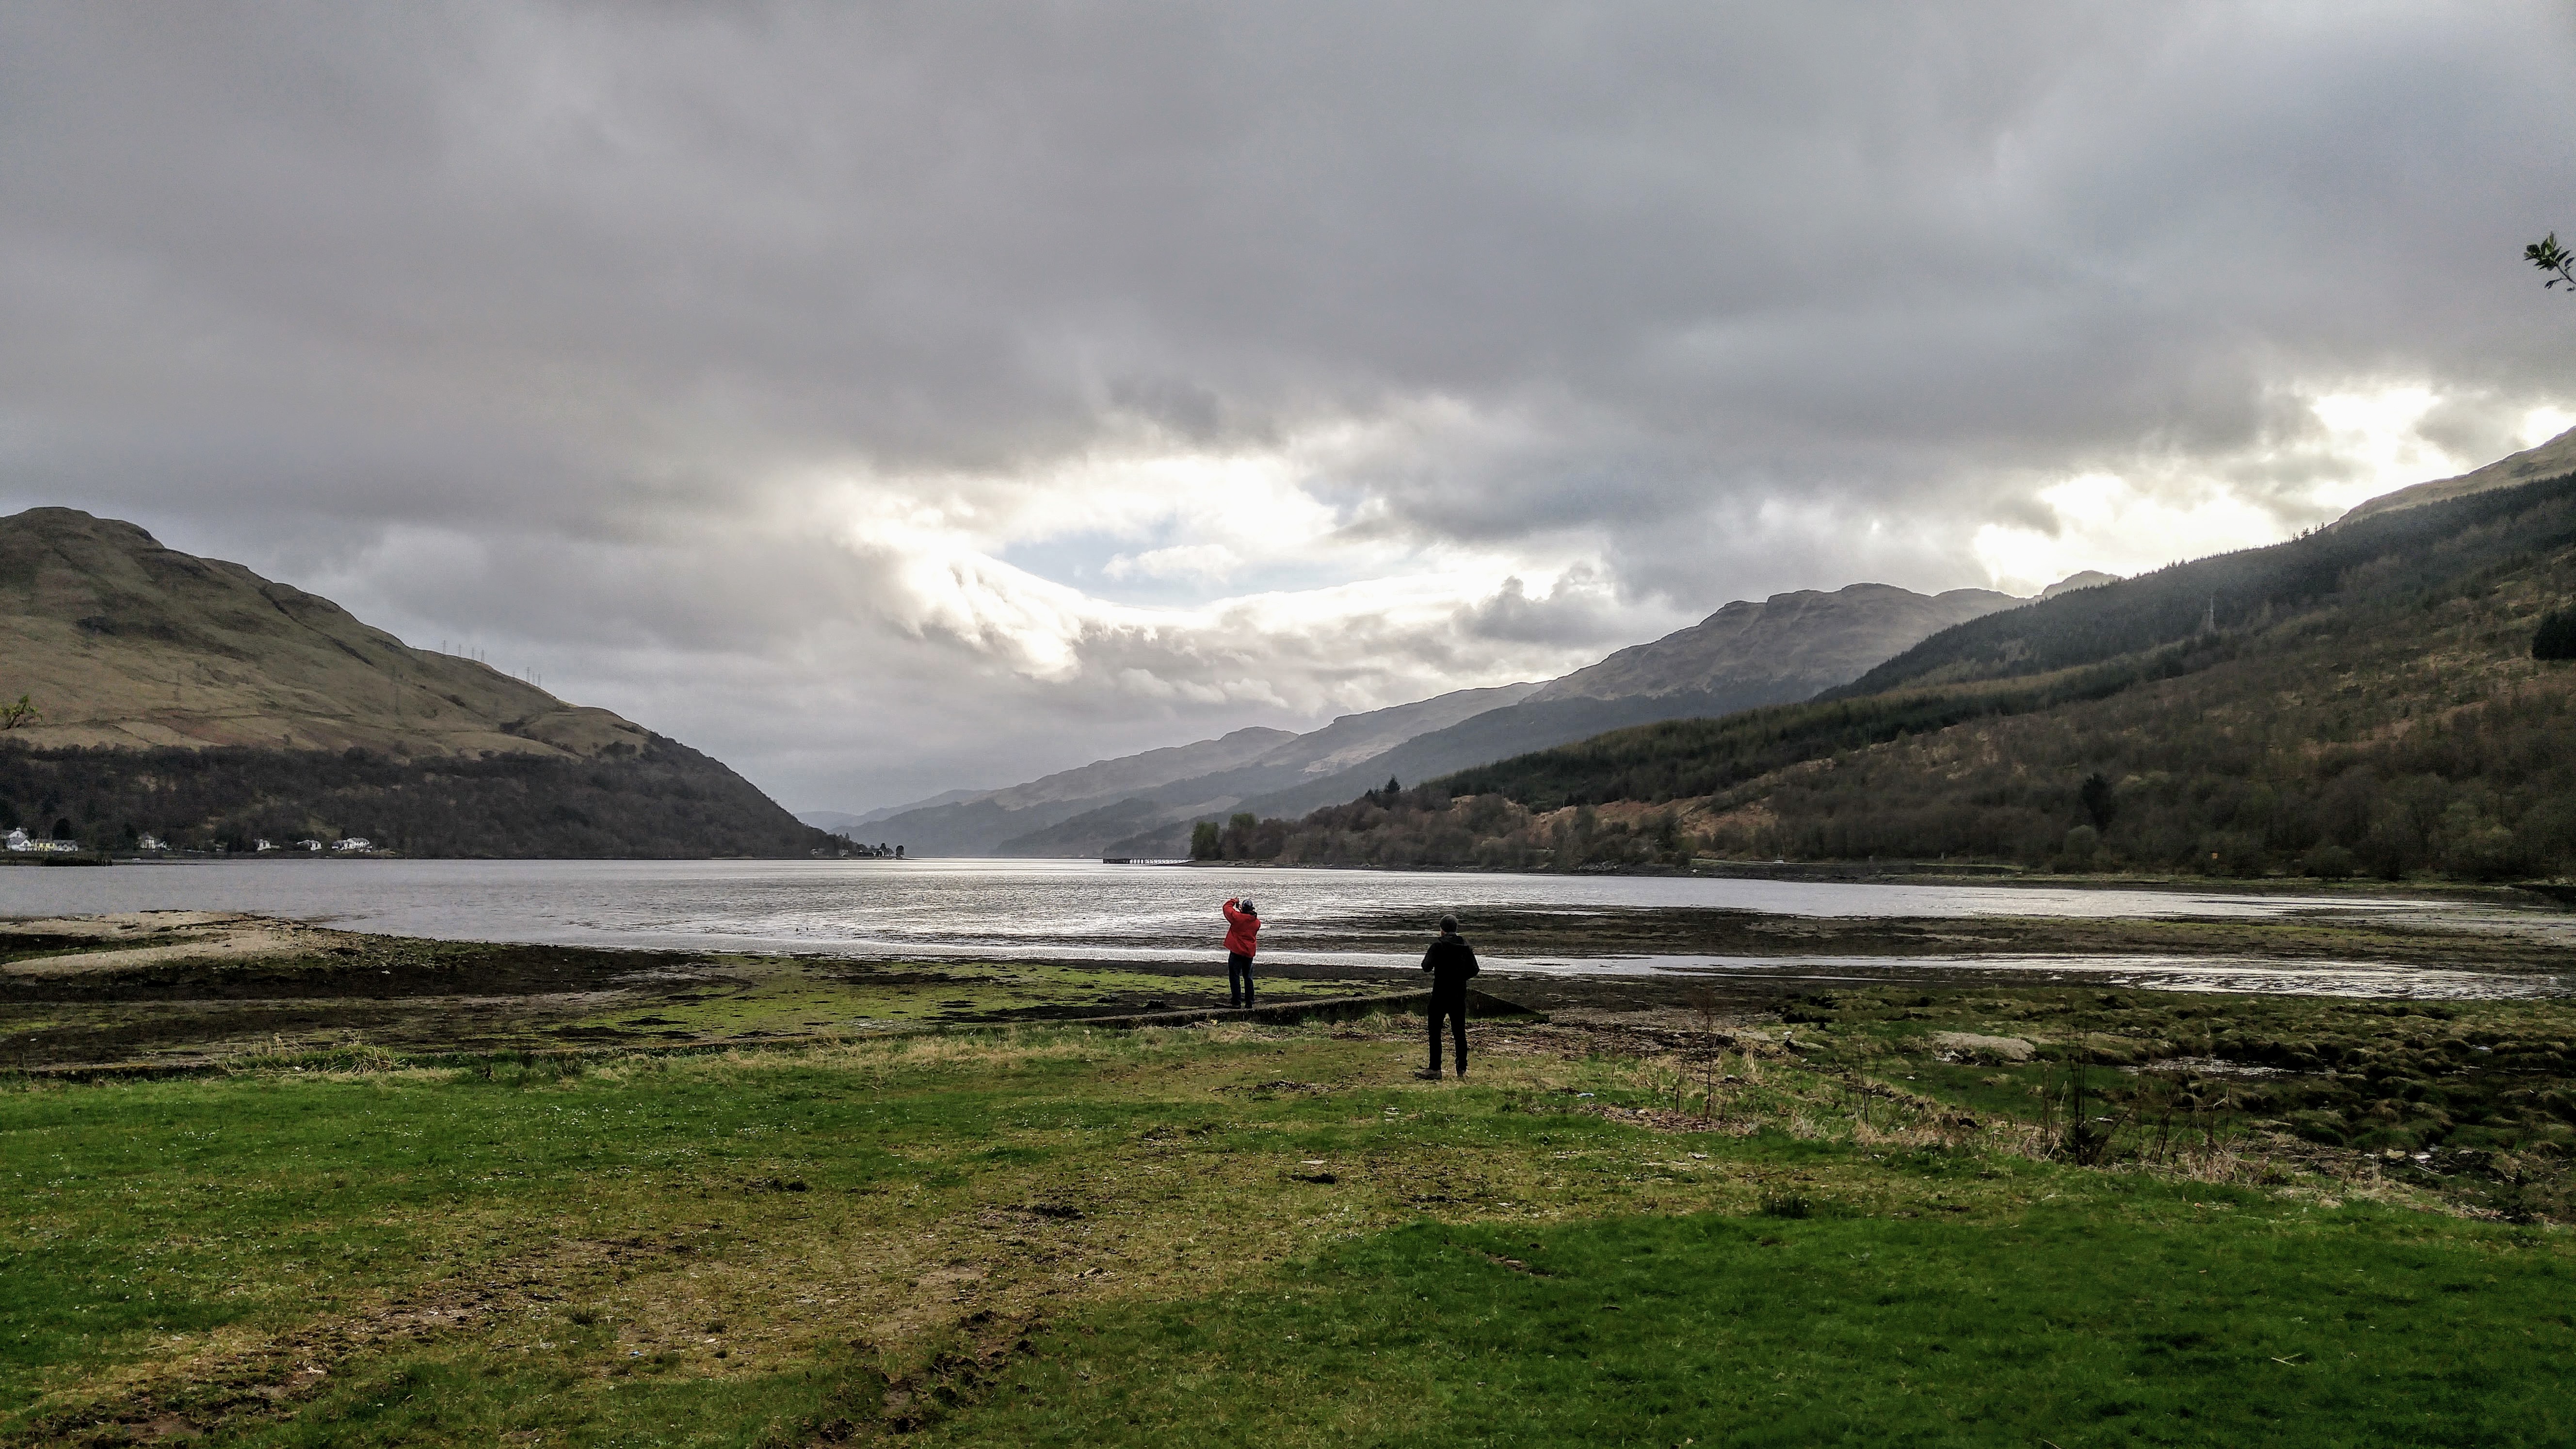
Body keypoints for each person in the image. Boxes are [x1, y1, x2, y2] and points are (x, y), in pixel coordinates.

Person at [1417, 914, 1478, 1079]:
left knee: (1435, 1032)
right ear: (1456, 929)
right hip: (1459, 995)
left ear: (1442, 930)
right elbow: (1475, 970)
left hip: (1440, 994)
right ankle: (1462, 1068)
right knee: (1459, 1033)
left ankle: (1435, 1068)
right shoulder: (1465, 946)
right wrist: (1460, 977)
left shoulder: (1438, 946)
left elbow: (1426, 967)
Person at [1222, 896, 1260, 1008]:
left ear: (1243, 908)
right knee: (1248, 977)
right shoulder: (1257, 923)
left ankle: (1236, 1001)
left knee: (1235, 976)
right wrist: (1242, 912)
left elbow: (1226, 908)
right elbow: (1246, 920)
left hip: (1237, 951)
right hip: (1249, 953)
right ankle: (1250, 1002)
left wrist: (1233, 901)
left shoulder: (1237, 918)